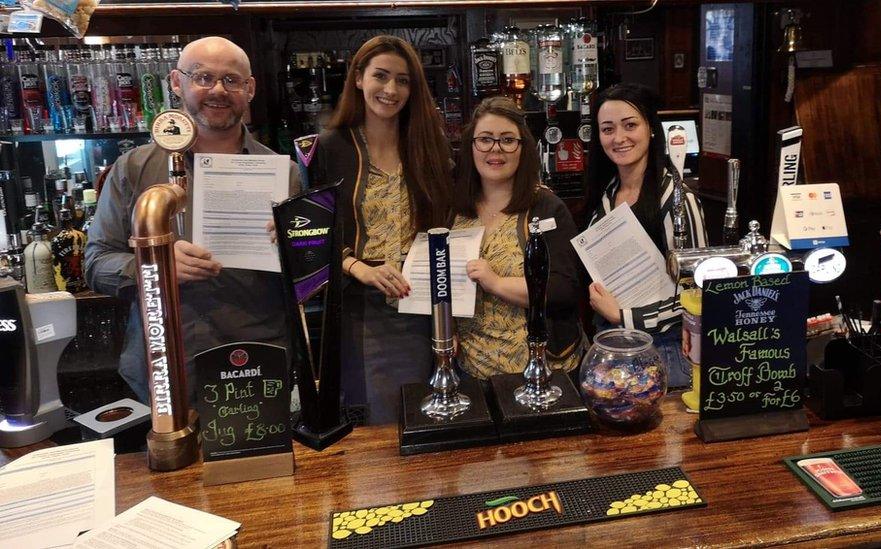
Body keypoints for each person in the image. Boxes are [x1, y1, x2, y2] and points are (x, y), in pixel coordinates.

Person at [85, 37, 300, 404]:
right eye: (202, 77)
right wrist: (156, 265)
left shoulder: (286, 174)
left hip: (255, 360)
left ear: (249, 89)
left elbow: (308, 275)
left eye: (231, 80)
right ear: (176, 82)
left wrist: (296, 249)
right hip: (164, 367)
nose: (217, 90)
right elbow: (96, 263)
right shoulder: (134, 168)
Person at [306, 36, 454, 424]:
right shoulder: (331, 147)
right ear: (358, 78)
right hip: (362, 311)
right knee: (379, 422)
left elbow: (452, 216)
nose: (391, 90)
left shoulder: (427, 144)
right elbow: (311, 233)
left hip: (426, 305)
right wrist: (359, 268)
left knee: (432, 413)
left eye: (403, 81)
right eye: (381, 76)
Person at [584, 83, 707, 388]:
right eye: (607, 129)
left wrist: (624, 316)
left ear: (651, 128)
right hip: (611, 346)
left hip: (663, 351)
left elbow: (698, 294)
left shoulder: (677, 200)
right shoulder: (605, 195)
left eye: (630, 125)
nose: (619, 138)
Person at [452, 96, 583, 379]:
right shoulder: (455, 210)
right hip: (470, 370)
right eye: (485, 139)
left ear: (523, 148)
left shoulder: (546, 207)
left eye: (508, 140)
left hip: (538, 371)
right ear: (471, 146)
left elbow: (563, 289)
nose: (495, 150)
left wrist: (496, 283)